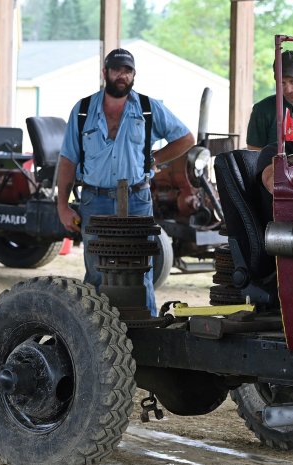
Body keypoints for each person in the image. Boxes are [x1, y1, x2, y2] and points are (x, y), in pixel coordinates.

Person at [55, 48, 195, 316]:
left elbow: (185, 138)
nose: (122, 75)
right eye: (117, 69)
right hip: (94, 200)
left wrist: (154, 160)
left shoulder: (147, 108)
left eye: (128, 71)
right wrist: (62, 205)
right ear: (105, 72)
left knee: (140, 270)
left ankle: (147, 333)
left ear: (134, 75)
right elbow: (68, 160)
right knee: (96, 270)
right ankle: (94, 334)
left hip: (136, 199)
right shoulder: (83, 110)